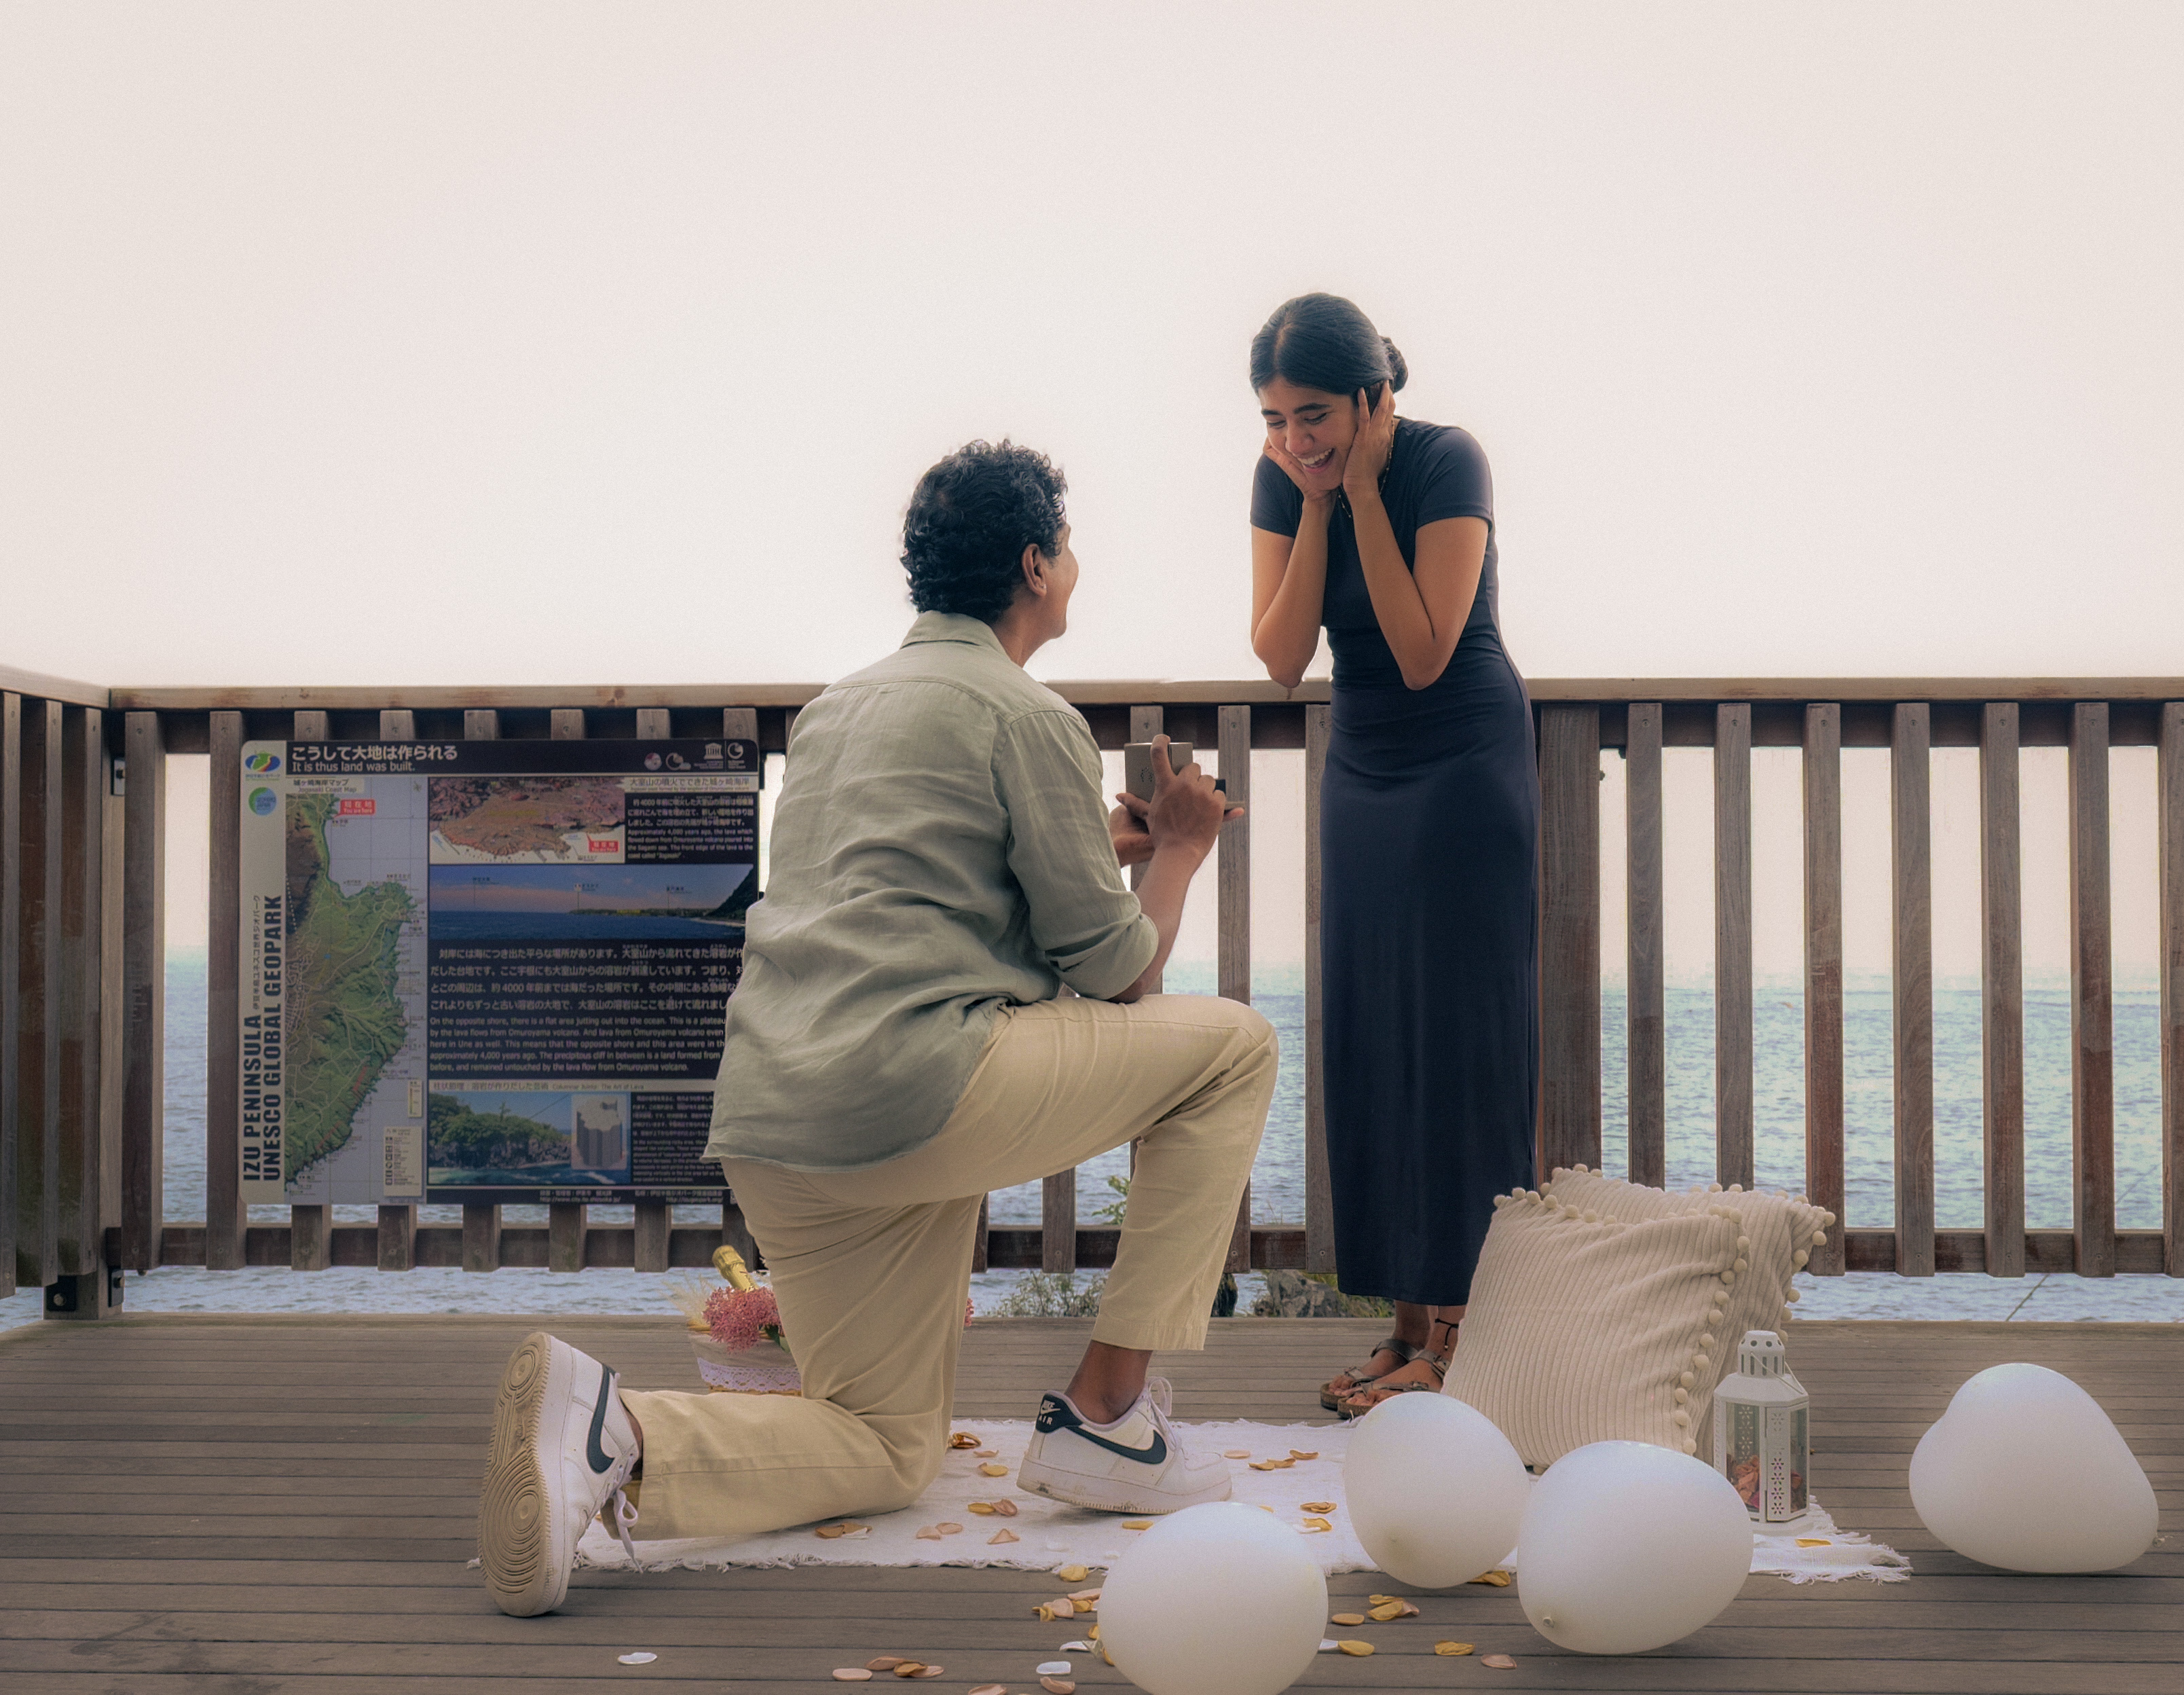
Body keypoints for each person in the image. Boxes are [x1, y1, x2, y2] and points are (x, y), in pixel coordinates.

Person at [477, 440, 1278, 1618]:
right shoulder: (1028, 715)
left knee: (887, 1446)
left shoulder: (835, 715)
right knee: (1234, 1049)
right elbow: (1120, 979)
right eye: (1066, 545)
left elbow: (905, 893)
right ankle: (1109, 1415)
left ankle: (619, 1433)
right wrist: (1188, 845)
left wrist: (1110, 846)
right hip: (921, 1092)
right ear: (1036, 565)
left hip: (777, 1122)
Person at [1246, 293, 1538, 1417]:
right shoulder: (1284, 478)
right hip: (1364, 771)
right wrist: (1317, 499)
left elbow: (1423, 649)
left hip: (1462, 760)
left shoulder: (1445, 462)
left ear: (1375, 398)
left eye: (1314, 415)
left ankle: (1464, 1341)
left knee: (1461, 1043)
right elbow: (1279, 654)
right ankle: (1405, 1328)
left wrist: (1363, 487)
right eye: (1276, 420)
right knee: (1374, 1032)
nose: (1294, 439)